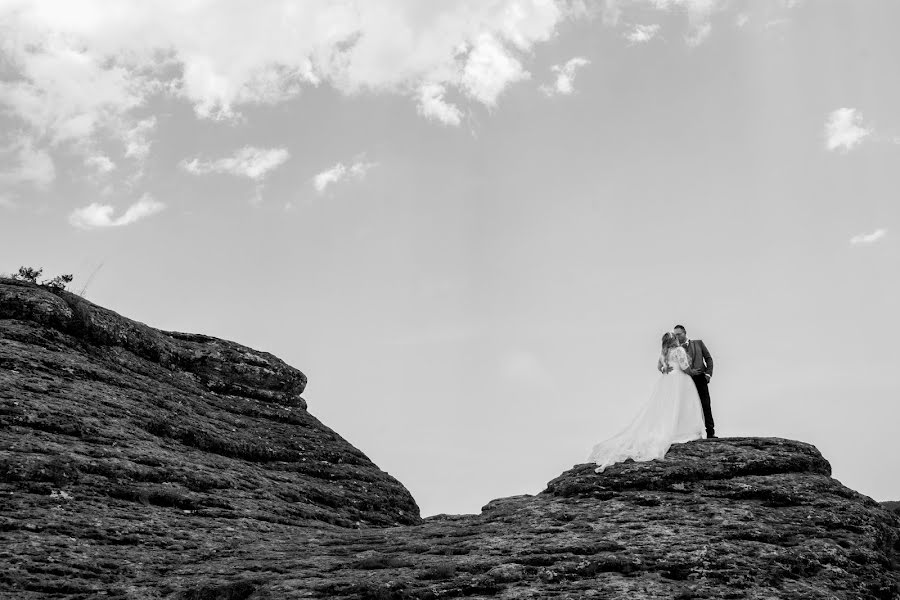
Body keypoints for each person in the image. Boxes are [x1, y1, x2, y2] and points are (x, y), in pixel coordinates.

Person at [588, 332, 705, 473]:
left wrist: (665, 369)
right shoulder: (679, 350)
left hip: (668, 380)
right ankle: (683, 431)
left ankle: (673, 429)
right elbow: (685, 366)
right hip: (680, 380)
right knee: (683, 406)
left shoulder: (664, 353)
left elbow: (659, 367)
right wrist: (693, 372)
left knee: (667, 407)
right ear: (674, 340)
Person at [672, 324, 715, 438]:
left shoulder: (698, 343)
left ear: (685, 332)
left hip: (700, 378)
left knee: (705, 404)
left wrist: (708, 374)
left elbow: (709, 359)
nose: (677, 337)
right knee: (688, 406)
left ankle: (710, 432)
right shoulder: (675, 349)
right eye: (675, 335)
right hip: (685, 380)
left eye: (679, 334)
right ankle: (691, 433)